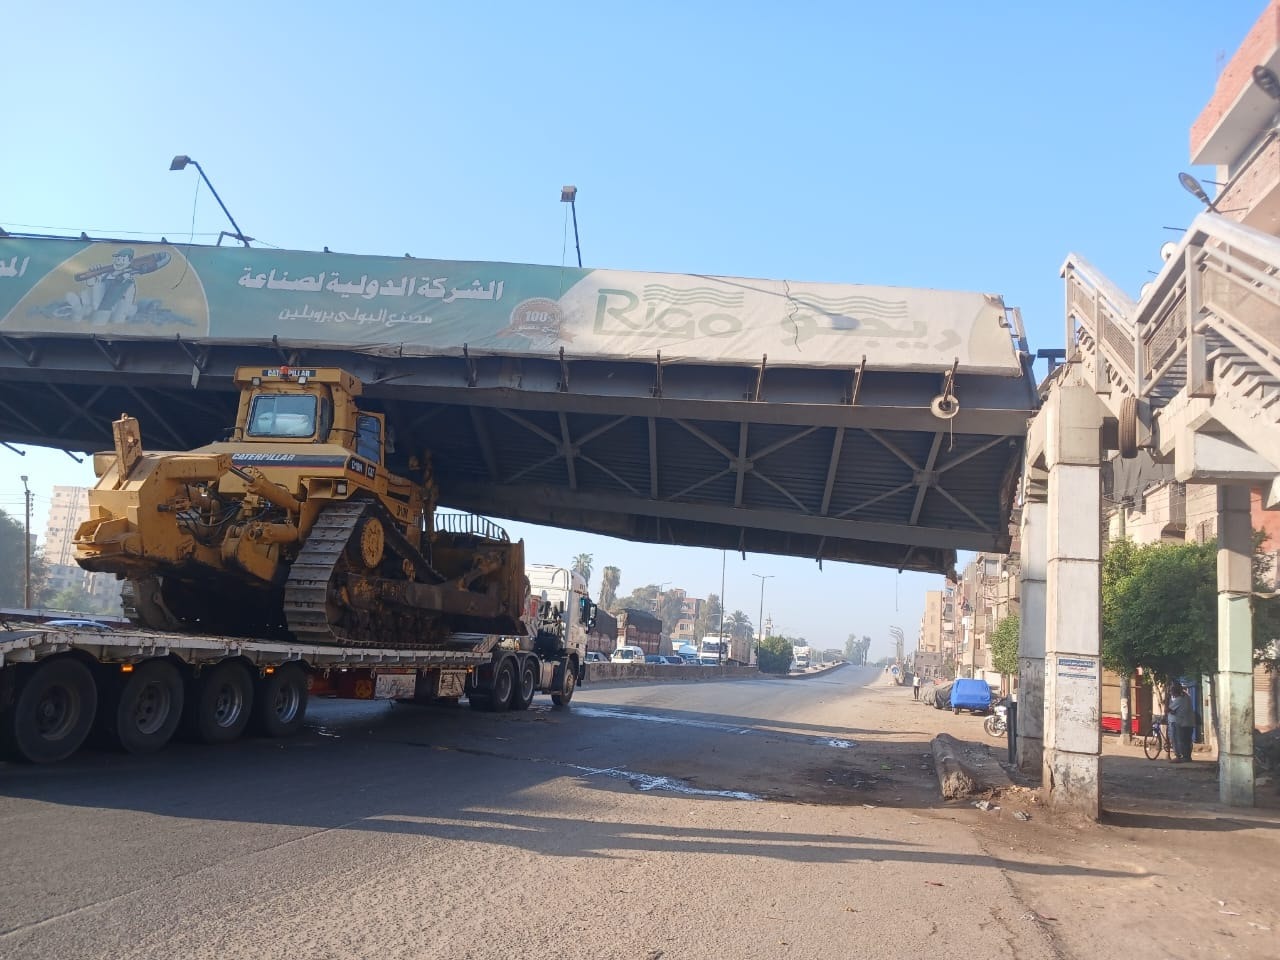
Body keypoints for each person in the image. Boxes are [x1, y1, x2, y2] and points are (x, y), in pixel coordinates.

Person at [1166, 682, 1193, 762]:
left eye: (1172, 691)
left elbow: (1168, 709)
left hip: (1180, 722)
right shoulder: (1187, 697)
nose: (1172, 694)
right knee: (1186, 741)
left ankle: (1179, 756)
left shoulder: (1179, 699)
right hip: (1188, 722)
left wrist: (1168, 704)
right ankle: (1187, 757)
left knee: (1178, 740)